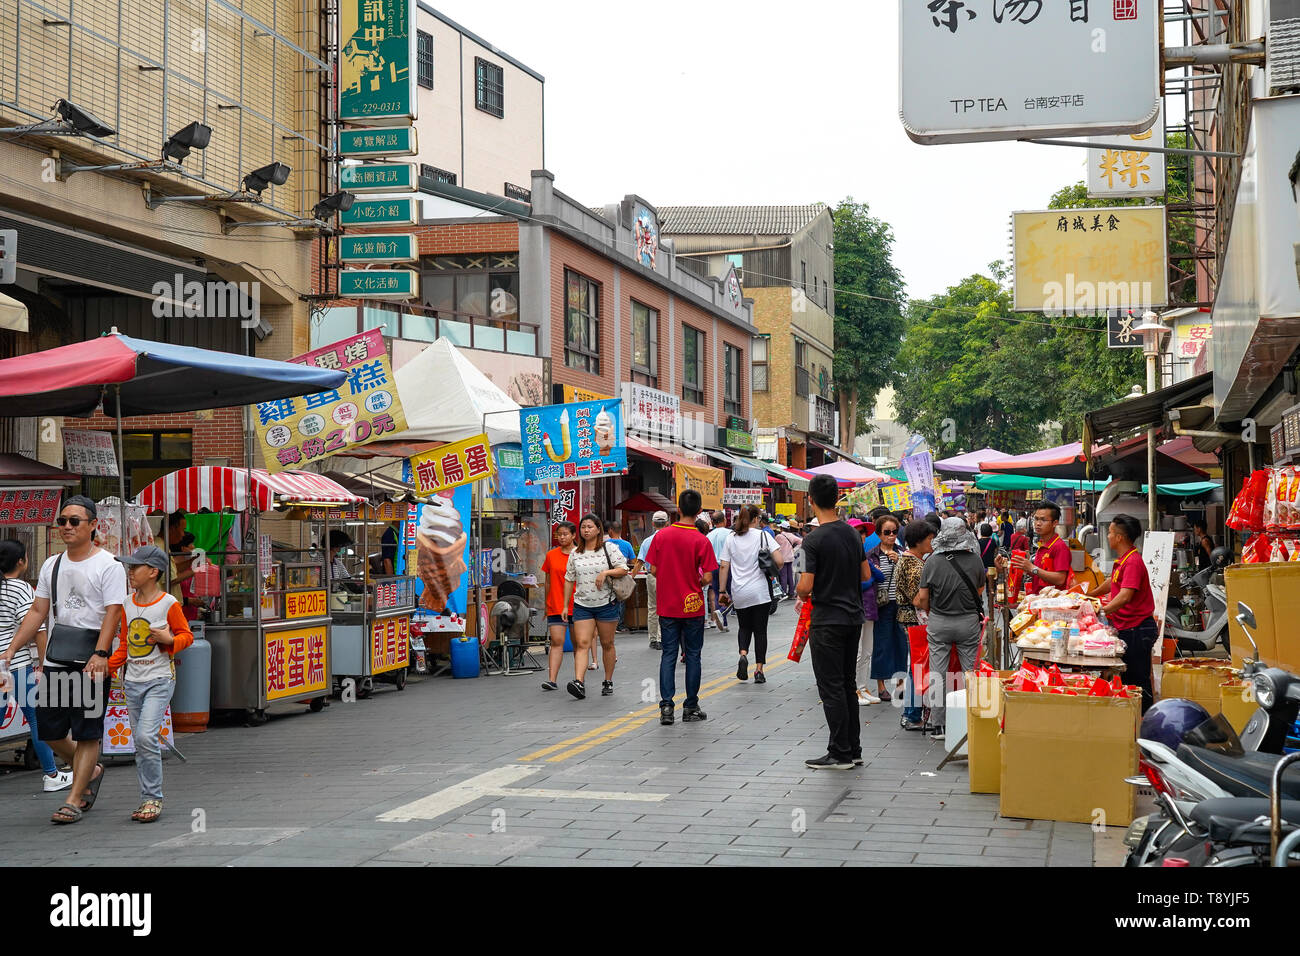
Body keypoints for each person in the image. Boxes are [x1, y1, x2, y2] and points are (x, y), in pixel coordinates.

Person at [0, 496, 126, 824]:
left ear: (93, 525)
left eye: (75, 521)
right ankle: (91, 769)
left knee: (86, 733)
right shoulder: (52, 564)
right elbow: (39, 610)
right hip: (57, 658)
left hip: (90, 660)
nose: (67, 527)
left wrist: (101, 654)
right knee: (50, 732)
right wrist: (13, 648)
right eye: (62, 521)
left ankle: (74, 796)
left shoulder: (108, 565)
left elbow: (113, 613)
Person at [108, 545, 193, 823]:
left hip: (159, 680)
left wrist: (169, 641)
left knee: (145, 737)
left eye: (135, 567)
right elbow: (125, 643)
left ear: (153, 571)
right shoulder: (127, 604)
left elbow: (186, 637)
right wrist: (106, 665)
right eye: (129, 567)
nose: (130, 572)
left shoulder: (169, 603)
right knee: (142, 741)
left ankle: (153, 798)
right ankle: (147, 797)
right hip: (131, 682)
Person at [796, 474, 870, 770]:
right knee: (848, 684)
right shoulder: (852, 534)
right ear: (836, 499)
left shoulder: (810, 541)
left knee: (831, 687)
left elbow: (803, 586)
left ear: (810, 499)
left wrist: (815, 588)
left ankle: (839, 752)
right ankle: (853, 748)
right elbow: (865, 575)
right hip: (853, 618)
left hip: (827, 621)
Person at [0, 540, 72, 792]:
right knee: (36, 719)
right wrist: (42, 666)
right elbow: (39, 630)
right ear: (22, 562)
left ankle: (52, 773)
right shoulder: (20, 589)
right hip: (16, 666)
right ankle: (52, 775)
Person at [645, 490, 718, 725]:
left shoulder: (661, 536)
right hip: (693, 606)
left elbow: (653, 570)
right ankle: (691, 706)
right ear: (698, 512)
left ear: (677, 509)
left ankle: (666, 707)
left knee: (668, 654)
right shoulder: (701, 540)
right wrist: (693, 581)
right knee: (693, 655)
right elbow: (707, 577)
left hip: (667, 605)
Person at [916, 518, 986, 738]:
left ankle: (939, 725)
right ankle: (970, 721)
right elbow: (980, 589)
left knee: (938, 673)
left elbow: (924, 596)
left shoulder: (932, 561)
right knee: (971, 673)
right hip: (968, 622)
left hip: (939, 621)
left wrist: (931, 613)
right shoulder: (975, 559)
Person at [1086, 514, 1158, 711]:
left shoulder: (1133, 561)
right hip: (1127, 627)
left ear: (1119, 537)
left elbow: (1126, 595)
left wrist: (1101, 610)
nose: (1108, 537)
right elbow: (1113, 582)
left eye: (1110, 533)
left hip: (1137, 629)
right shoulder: (1123, 560)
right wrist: (1091, 595)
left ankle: (1145, 721)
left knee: (1138, 679)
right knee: (1127, 678)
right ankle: (1131, 719)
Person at [562, 514, 629, 699]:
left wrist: (605, 572)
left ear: (598, 529)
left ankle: (607, 680)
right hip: (582, 604)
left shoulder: (609, 548)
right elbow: (569, 579)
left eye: (590, 527)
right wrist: (565, 606)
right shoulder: (575, 553)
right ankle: (579, 682)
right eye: (583, 527)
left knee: (607, 644)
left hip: (606, 604)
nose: (586, 530)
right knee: (582, 643)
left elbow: (624, 568)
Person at [718, 505, 783, 684]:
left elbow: (724, 566)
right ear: (756, 519)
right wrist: (773, 570)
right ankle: (759, 670)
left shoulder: (731, 538)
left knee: (744, 627)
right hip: (760, 591)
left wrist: (722, 591)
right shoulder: (763, 535)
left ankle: (743, 654)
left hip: (739, 591)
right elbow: (779, 560)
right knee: (760, 631)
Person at [896, 519, 934, 732]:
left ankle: (911, 713)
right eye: (929, 539)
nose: (932, 542)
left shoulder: (912, 561)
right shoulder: (913, 565)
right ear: (918, 541)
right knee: (917, 667)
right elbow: (918, 600)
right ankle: (911, 714)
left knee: (916, 666)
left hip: (913, 621)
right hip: (915, 621)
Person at [866, 515, 906, 704]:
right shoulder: (872, 555)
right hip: (881, 605)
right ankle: (881, 686)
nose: (891, 536)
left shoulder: (902, 553)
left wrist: (899, 562)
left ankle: (900, 684)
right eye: (887, 532)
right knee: (881, 645)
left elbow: (909, 578)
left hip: (899, 604)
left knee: (900, 644)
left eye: (894, 532)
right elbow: (866, 580)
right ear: (879, 534)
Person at [1001, 502, 1071, 596]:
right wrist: (1021, 566)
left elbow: (1060, 579)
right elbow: (1040, 574)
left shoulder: (1059, 546)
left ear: (1055, 523)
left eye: (1043, 520)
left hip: (1052, 604)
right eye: (1036, 519)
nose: (1037, 523)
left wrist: (1032, 568)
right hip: (1039, 601)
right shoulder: (1042, 545)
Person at [539, 521, 576, 691]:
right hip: (555, 603)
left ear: (574, 535)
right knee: (557, 641)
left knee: (579, 644)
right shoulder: (551, 555)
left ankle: (578, 679)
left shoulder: (580, 555)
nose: (561, 537)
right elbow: (547, 581)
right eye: (559, 534)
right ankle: (552, 680)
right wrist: (547, 603)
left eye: (565, 534)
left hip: (578, 605)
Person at [852, 521, 886, 705]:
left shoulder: (865, 556)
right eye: (858, 532)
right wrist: (871, 574)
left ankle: (863, 686)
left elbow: (880, 577)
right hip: (855, 609)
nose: (862, 535)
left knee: (867, 651)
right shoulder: (848, 557)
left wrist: (870, 574)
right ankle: (854, 689)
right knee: (856, 651)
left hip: (870, 608)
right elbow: (861, 583)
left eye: (863, 532)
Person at [633, 512, 669, 650]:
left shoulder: (647, 541)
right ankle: (661, 638)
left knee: (653, 608)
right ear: (667, 523)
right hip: (666, 577)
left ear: (653, 524)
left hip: (651, 577)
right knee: (664, 608)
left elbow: (639, 562)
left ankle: (653, 638)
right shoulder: (670, 539)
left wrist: (631, 579)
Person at [604, 521, 637, 634]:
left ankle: (608, 623)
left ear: (610, 531)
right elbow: (633, 561)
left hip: (607, 574)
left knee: (608, 598)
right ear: (620, 531)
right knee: (621, 599)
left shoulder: (605, 544)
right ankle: (620, 624)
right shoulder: (627, 544)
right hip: (621, 574)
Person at [706, 511, 732, 632]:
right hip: (727, 566)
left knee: (718, 593)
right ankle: (722, 612)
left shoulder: (709, 536)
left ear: (712, 522)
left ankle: (723, 621)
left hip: (713, 567)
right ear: (724, 521)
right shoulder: (730, 533)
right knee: (732, 592)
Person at [774, 521, 798, 600]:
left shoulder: (779, 536)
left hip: (782, 558)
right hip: (790, 558)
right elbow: (801, 541)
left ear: (781, 528)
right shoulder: (792, 536)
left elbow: (774, 546)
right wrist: (793, 549)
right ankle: (791, 593)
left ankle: (783, 593)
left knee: (783, 576)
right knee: (790, 576)